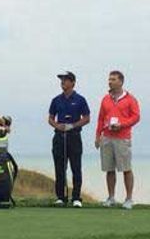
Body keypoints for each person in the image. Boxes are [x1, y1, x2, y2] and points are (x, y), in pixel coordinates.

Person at [94, 70, 140, 210]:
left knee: (126, 168)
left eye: (113, 79)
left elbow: (136, 116)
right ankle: (111, 197)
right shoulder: (105, 99)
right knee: (109, 169)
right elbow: (101, 118)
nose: (110, 81)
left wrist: (122, 124)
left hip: (122, 138)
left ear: (120, 81)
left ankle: (128, 198)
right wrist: (97, 136)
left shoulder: (130, 99)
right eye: (109, 79)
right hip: (107, 137)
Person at [48, 71, 90, 207]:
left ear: (72, 82)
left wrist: (73, 125)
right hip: (59, 137)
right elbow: (50, 118)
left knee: (76, 167)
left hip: (74, 137)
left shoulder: (80, 99)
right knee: (60, 168)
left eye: (65, 80)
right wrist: (57, 126)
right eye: (61, 80)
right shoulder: (56, 100)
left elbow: (86, 118)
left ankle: (76, 197)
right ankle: (61, 197)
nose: (62, 82)